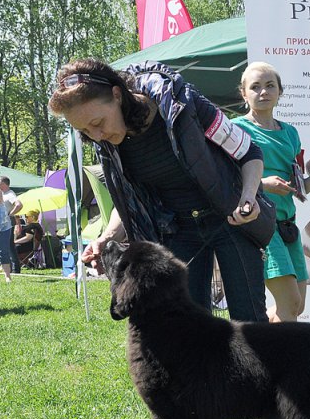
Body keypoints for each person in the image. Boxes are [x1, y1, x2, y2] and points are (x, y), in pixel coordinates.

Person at [48, 58, 269, 321]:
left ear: (117, 96)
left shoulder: (182, 103)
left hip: (230, 220)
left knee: (250, 322)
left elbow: (249, 152)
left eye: (97, 122)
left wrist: (247, 198)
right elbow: (130, 201)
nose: (96, 135)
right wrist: (107, 238)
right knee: (188, 328)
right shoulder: (107, 144)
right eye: (84, 131)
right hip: (178, 231)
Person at [233, 62, 310, 322]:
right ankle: (289, 362)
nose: (263, 91)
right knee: (290, 304)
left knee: (297, 309)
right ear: (243, 94)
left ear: (279, 91)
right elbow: (226, 181)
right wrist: (263, 184)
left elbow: (298, 187)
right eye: (255, 87)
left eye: (269, 85)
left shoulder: (291, 133)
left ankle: (249, 341)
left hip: (288, 225)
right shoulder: (235, 130)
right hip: (261, 224)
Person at [0, 175, 23, 273]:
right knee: (6, 245)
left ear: (3, 184)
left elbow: (19, 205)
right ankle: (10, 268)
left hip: (8, 222)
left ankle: (16, 269)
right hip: (2, 222)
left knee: (9, 246)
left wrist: (10, 214)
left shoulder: (10, 194)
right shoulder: (2, 194)